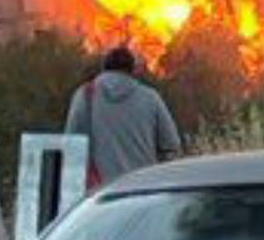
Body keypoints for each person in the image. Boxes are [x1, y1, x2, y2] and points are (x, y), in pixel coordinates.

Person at [65, 47, 182, 188]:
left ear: (104, 68)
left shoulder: (85, 95)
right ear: (132, 70)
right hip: (141, 190)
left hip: (100, 194)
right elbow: (171, 146)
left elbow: (71, 145)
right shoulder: (151, 98)